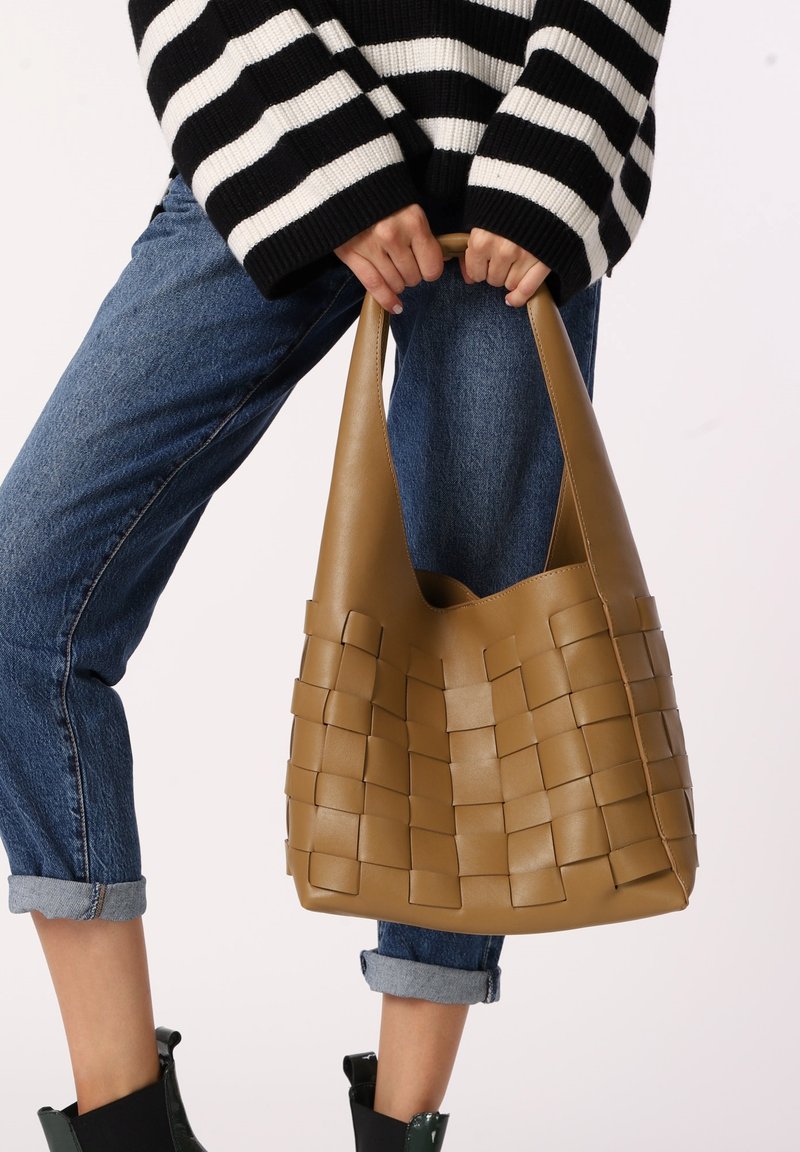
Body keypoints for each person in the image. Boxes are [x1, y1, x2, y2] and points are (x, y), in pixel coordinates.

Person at [0, 2, 672, 1148]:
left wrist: (550, 159)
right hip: (264, 132)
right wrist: (324, 157)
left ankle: (399, 1133)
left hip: (510, 171)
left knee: (466, 685)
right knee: (26, 600)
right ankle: (125, 1126)